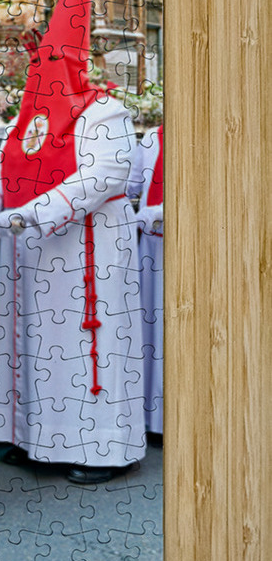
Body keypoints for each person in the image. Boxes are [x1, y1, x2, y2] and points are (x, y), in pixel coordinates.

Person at [0, 0, 145, 484]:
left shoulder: (105, 114)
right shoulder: (31, 117)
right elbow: (5, 164)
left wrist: (35, 212)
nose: (40, 74)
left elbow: (105, 174)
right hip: (36, 252)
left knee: (87, 347)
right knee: (35, 346)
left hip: (87, 254)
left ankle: (100, 450)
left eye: (50, 65)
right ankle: (35, 438)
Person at [127, 124, 164, 436]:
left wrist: (152, 213)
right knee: (148, 331)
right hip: (150, 244)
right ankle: (150, 416)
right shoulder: (152, 137)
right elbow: (131, 185)